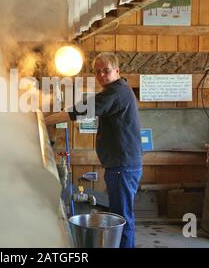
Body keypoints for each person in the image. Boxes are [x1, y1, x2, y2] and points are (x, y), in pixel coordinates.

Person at [45, 52, 143, 248]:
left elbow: (82, 109)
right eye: (97, 72)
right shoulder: (119, 89)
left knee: (122, 218)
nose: (101, 75)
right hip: (123, 164)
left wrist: (43, 120)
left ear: (117, 70)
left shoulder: (116, 92)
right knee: (121, 215)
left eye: (106, 71)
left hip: (122, 166)